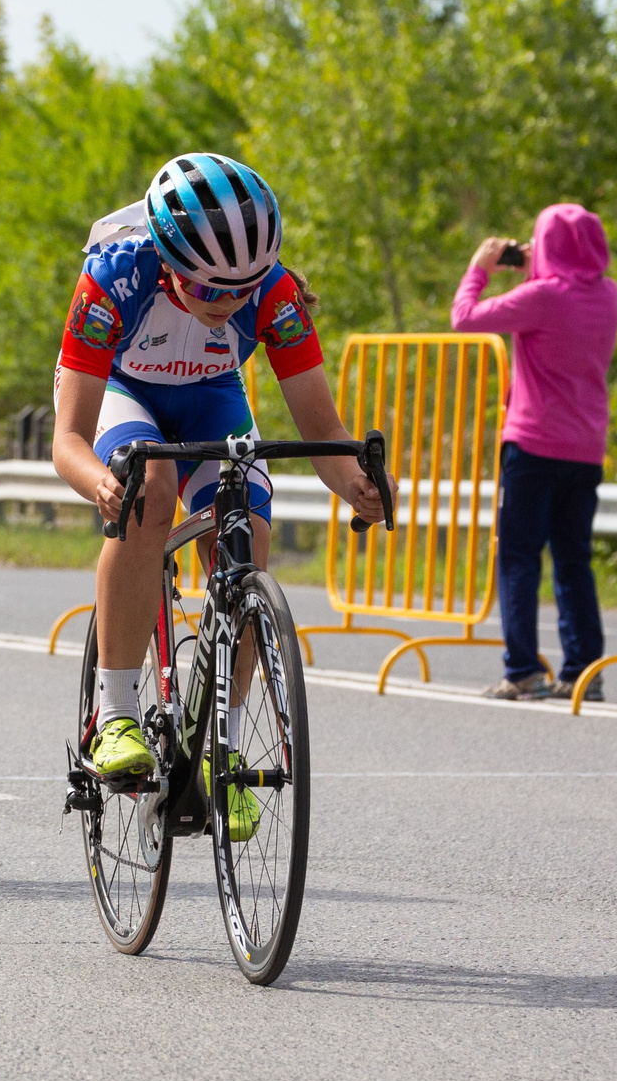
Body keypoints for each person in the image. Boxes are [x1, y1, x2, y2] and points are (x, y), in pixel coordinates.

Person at [50, 154, 385, 830]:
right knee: (152, 489)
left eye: (243, 289)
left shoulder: (276, 293)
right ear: (168, 261)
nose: (226, 306)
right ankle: (114, 714)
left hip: (211, 401)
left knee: (248, 536)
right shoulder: (115, 276)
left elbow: (323, 430)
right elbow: (67, 442)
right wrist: (101, 484)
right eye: (209, 292)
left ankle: (216, 747)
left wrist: (357, 483)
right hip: (124, 392)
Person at [450, 204, 617, 701]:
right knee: (574, 561)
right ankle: (584, 671)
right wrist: (536, 266)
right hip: (586, 448)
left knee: (520, 558)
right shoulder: (608, 295)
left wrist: (480, 268)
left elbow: (465, 318)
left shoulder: (542, 297)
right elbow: (570, 284)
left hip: (533, 443)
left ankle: (523, 668)